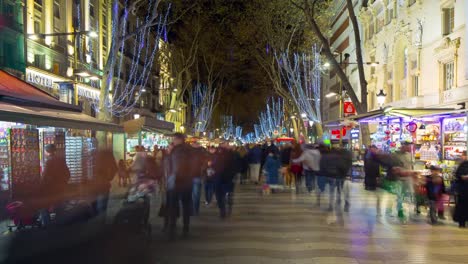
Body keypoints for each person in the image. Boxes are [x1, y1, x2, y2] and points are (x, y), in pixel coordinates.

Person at [167, 133, 193, 239]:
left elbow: (176, 167)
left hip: (177, 182)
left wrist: (174, 178)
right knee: (186, 206)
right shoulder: (190, 150)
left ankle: (172, 229)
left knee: (173, 206)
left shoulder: (177, 151)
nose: (173, 140)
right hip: (187, 182)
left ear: (179, 140)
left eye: (174, 139)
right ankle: (185, 228)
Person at [39, 144, 70, 226]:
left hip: (51, 189)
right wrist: (63, 183)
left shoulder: (49, 161)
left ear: (47, 151)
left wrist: (41, 186)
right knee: (59, 206)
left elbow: (44, 176)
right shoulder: (61, 160)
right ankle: (60, 224)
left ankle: (47, 225)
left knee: (43, 206)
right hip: (61, 188)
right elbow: (68, 173)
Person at [214, 142, 238, 219]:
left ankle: (223, 209)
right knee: (223, 194)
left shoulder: (229, 154)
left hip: (223, 178)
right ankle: (225, 208)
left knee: (220, 195)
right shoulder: (231, 154)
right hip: (225, 178)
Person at [92, 149, 118, 217]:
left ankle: (97, 220)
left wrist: (108, 177)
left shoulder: (94, 153)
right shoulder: (107, 153)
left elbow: (114, 168)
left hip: (96, 184)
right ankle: (100, 220)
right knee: (102, 206)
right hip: (101, 184)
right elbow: (114, 168)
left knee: (94, 206)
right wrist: (108, 178)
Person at [190, 142, 206, 216]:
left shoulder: (190, 153)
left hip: (193, 176)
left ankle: (194, 209)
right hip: (196, 176)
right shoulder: (202, 153)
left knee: (194, 194)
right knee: (196, 194)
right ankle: (195, 209)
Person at [454, 151, 468, 228]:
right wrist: (462, 177)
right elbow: (458, 175)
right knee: (462, 205)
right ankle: (461, 222)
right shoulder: (463, 165)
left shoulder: (462, 164)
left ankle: (462, 222)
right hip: (463, 189)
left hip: (463, 189)